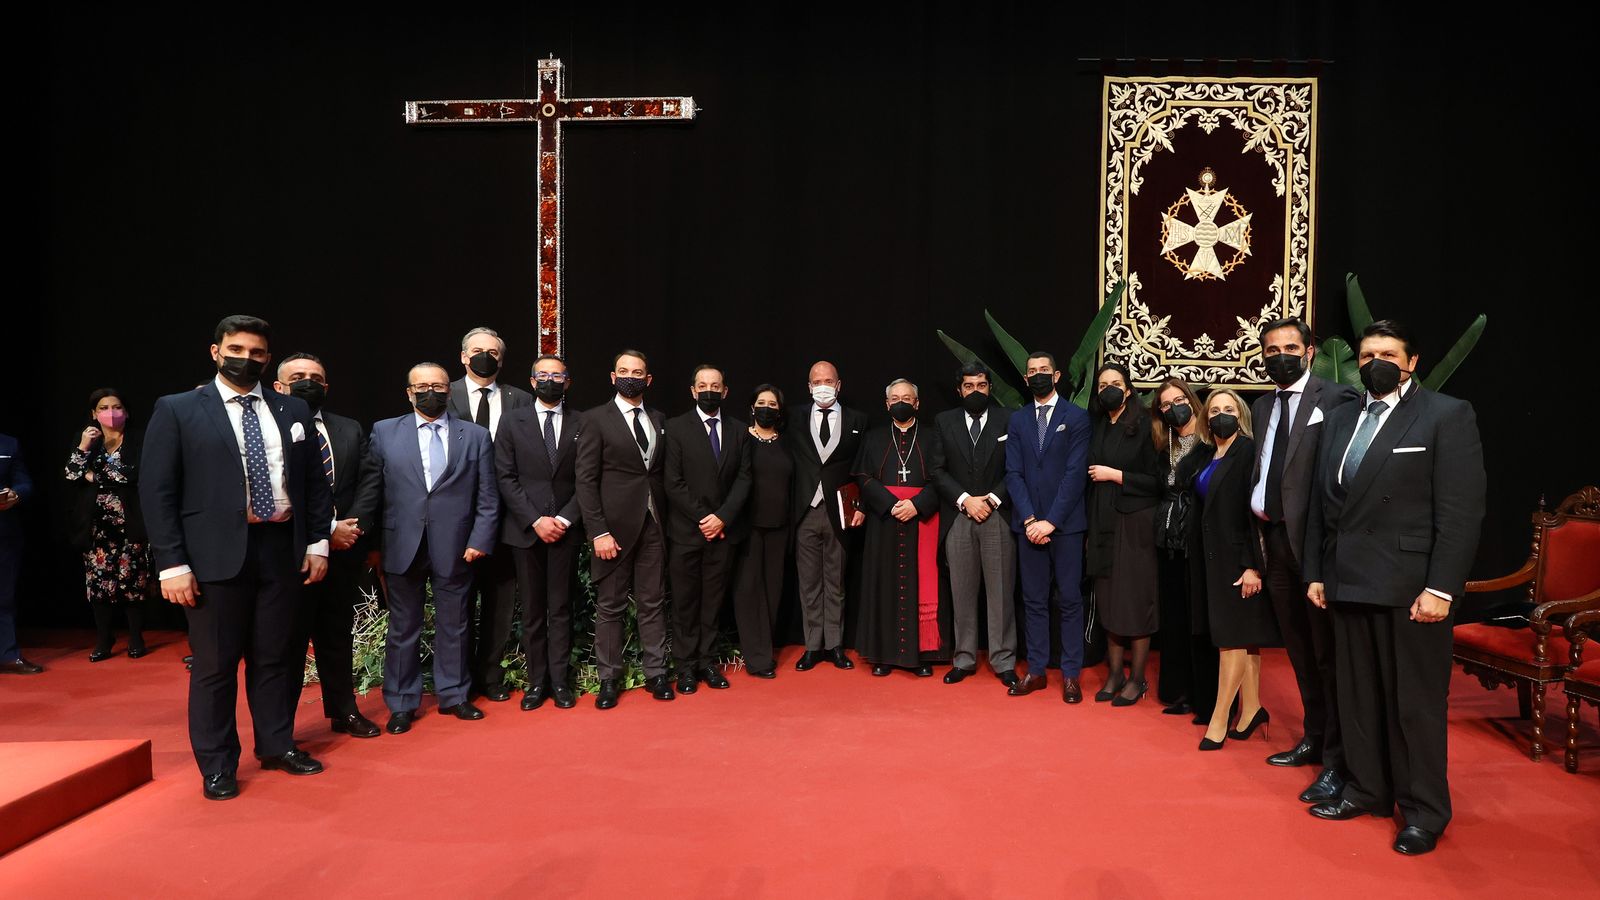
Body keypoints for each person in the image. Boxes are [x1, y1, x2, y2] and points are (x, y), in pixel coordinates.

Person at [1303, 320, 1485, 856]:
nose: (1375, 363)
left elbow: (1460, 513)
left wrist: (1442, 589)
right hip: (1347, 580)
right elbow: (1321, 505)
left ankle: (1424, 812)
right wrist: (1317, 572)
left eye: (1387, 354)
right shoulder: (1340, 418)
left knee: (1414, 706)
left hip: (1411, 589)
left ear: (1411, 362)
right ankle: (1367, 790)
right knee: (1357, 698)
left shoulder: (1446, 415)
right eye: (1366, 355)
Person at [140, 315, 334, 800]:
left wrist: (317, 543)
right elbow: (158, 493)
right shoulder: (178, 409)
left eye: (257, 352)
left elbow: (313, 484)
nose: (246, 359)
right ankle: (218, 764)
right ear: (216, 351)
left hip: (281, 549)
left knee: (276, 658)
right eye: (236, 350)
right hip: (213, 557)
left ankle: (277, 745)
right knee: (215, 665)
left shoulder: (292, 409)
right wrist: (172, 564)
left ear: (268, 358)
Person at [1247, 317, 1359, 804]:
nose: (1281, 357)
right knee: (1299, 651)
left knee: (1328, 655)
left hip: (1314, 547)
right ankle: (1314, 737)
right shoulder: (1261, 405)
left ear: (1310, 351)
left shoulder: (1336, 398)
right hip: (1275, 543)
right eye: (1272, 350)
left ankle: (1338, 760)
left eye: (1290, 348)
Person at [358, 362, 500, 733]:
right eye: (422, 387)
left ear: (449, 390)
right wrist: (371, 544)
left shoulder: (475, 436)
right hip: (401, 545)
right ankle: (402, 702)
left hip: (457, 546)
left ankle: (454, 695)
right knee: (403, 627)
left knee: (456, 624)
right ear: (409, 393)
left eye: (437, 386)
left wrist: (480, 539)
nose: (430, 392)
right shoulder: (384, 432)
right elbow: (372, 492)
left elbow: (488, 496)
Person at [272, 354, 382, 739]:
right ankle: (280, 729)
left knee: (337, 634)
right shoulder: (270, 427)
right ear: (279, 387)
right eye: (298, 377)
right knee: (289, 641)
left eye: (316, 378)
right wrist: (327, 529)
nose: (309, 383)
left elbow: (369, 479)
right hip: (293, 552)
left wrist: (352, 527)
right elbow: (280, 487)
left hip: (345, 551)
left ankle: (343, 710)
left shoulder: (349, 428)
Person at [574, 349, 674, 708]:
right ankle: (609, 679)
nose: (631, 376)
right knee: (611, 606)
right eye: (624, 371)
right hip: (612, 531)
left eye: (638, 372)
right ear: (613, 377)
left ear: (648, 379)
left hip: (654, 524)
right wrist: (598, 531)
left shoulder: (659, 419)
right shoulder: (594, 419)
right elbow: (586, 480)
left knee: (652, 602)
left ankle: (656, 673)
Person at [494, 355, 585, 710]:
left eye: (557, 375)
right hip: (525, 531)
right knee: (532, 610)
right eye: (543, 375)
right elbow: (505, 476)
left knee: (561, 608)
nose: (550, 380)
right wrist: (535, 519)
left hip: (565, 530)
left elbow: (587, 479)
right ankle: (536, 683)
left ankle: (560, 682)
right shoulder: (511, 421)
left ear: (568, 382)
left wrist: (563, 519)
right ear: (532, 381)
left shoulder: (582, 422)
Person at [447, 327, 532, 704]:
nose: (486, 357)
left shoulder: (521, 399)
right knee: (458, 601)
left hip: (507, 517)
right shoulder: (443, 393)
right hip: (457, 517)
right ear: (464, 357)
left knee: (500, 599)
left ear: (501, 359)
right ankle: (458, 680)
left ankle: (490, 675)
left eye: (493, 352)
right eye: (478, 350)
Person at [1190, 388, 1279, 750]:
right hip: (1213, 559)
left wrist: (1252, 566)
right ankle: (1253, 708)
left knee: (1231, 641)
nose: (1221, 415)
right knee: (1243, 638)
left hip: (1238, 561)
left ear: (1240, 414)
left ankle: (1219, 717)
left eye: (1228, 409)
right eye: (1214, 410)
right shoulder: (1208, 453)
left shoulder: (1247, 451)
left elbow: (1252, 513)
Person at [1003, 351, 1091, 701]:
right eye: (1032, 371)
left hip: (1065, 526)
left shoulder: (1077, 417)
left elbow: (1075, 475)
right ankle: (1036, 671)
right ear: (1026, 380)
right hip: (1028, 526)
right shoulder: (1018, 420)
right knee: (1033, 600)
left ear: (1056, 376)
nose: (1038, 375)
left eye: (1044, 370)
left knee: (1069, 599)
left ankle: (1070, 675)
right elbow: (1013, 473)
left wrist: (1050, 522)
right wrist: (1029, 519)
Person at [664, 364, 752, 694]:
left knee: (713, 602)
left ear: (725, 391)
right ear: (693, 391)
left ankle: (707, 662)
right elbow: (673, 482)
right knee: (685, 602)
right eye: (703, 385)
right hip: (687, 531)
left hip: (723, 533)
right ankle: (686, 667)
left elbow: (744, 479)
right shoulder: (675, 428)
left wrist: (723, 518)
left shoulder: (740, 430)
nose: (709, 391)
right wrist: (705, 518)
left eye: (715, 386)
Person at [852, 379, 949, 676]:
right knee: (885, 584)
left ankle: (922, 655)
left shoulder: (933, 437)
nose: (901, 403)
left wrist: (917, 504)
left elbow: (943, 477)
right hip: (885, 520)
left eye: (907, 398)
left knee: (922, 584)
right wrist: (890, 503)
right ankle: (884, 655)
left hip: (923, 519)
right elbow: (863, 476)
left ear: (917, 404)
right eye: (895, 398)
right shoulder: (873, 437)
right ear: (887, 404)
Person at [932, 363, 1019, 687]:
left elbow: (1017, 467)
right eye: (969, 386)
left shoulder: (1008, 419)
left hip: (998, 515)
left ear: (990, 388)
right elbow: (937, 470)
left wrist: (992, 500)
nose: (975, 391)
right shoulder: (944, 421)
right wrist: (965, 500)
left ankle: (1003, 660)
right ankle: (964, 658)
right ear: (960, 390)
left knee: (1001, 594)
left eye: (981, 385)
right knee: (962, 592)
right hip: (959, 516)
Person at [1086, 362, 1162, 706]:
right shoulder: (1099, 424)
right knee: (1109, 600)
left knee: (1135, 600)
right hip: (1103, 520)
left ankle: (1138, 678)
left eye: (1115, 384)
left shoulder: (1145, 424)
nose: (1109, 390)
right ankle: (1115, 674)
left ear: (1128, 389)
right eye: (1103, 385)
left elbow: (1157, 481)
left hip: (1135, 523)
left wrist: (1116, 475)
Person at [787, 360, 866, 671]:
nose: (823, 386)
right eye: (817, 381)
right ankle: (812, 646)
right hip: (804, 510)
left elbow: (863, 467)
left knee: (836, 581)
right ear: (809, 387)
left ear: (838, 385)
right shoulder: (793, 417)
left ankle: (834, 645)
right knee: (808, 583)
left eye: (828, 380)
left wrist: (861, 506)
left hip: (840, 512)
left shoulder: (858, 419)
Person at [65, 389, 151, 661]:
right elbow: (71, 474)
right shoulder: (87, 439)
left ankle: (136, 637)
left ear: (126, 411)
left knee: (133, 580)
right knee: (99, 585)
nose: (110, 413)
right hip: (96, 525)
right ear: (94, 413)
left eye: (116, 407)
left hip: (131, 520)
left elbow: (134, 475)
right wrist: (83, 447)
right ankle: (104, 638)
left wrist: (93, 475)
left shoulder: (139, 438)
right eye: (103, 408)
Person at [1150, 378, 1217, 721]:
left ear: (1191, 401)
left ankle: (1207, 697)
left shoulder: (1209, 443)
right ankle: (1182, 691)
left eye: (1178, 400)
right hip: (1168, 542)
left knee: (1198, 619)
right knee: (1175, 619)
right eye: (1165, 404)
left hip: (1197, 542)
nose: (1173, 407)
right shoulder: (1165, 446)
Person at [730, 385, 793, 678]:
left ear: (779, 411)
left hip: (779, 527)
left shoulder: (787, 443)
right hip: (748, 528)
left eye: (772, 404)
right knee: (748, 591)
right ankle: (757, 659)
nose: (767, 408)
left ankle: (764, 648)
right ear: (752, 407)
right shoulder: (741, 439)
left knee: (772, 590)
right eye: (761, 402)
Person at [0, 432, 41, 675]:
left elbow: (24, 482)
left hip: (4, 533)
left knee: (4, 596)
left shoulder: (8, 443)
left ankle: (8, 655)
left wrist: (16, 495)